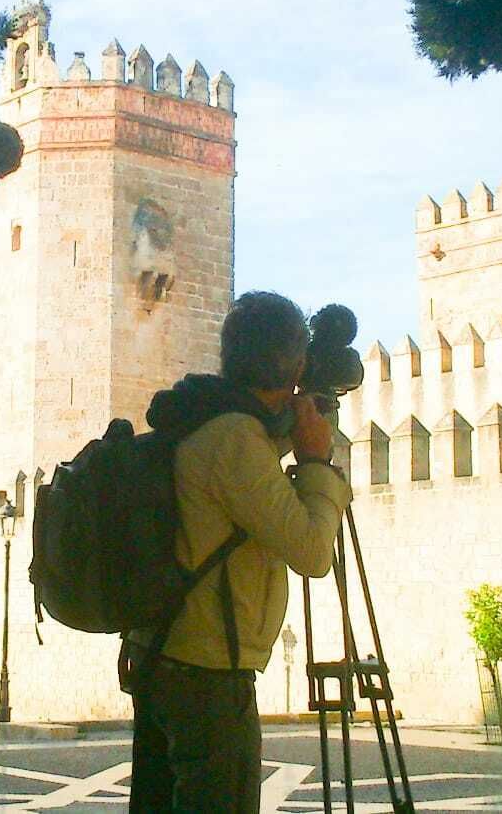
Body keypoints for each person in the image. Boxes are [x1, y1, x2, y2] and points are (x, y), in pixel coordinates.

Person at [127, 290, 351, 813]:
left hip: (163, 656)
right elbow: (315, 554)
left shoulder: (202, 417)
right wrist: (317, 460)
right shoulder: (235, 440)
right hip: (206, 674)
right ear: (295, 366)